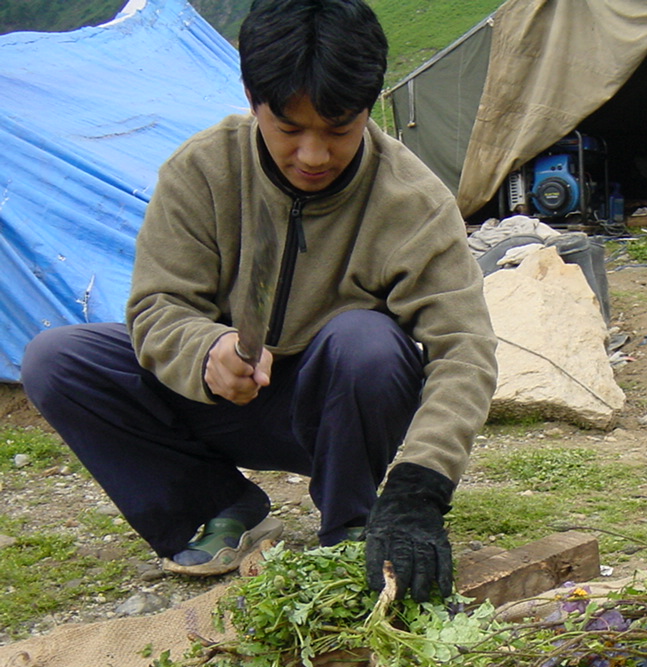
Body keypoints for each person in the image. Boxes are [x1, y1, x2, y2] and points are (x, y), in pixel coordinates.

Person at [21, 0, 497, 603]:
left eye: (339, 129)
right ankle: (220, 506)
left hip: (338, 405)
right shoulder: (203, 169)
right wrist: (206, 348)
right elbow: (156, 306)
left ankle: (350, 523)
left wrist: (419, 488)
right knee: (58, 359)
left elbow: (466, 349)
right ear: (252, 98)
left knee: (369, 343)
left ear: (370, 106)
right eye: (290, 129)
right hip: (221, 398)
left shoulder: (412, 200)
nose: (314, 156)